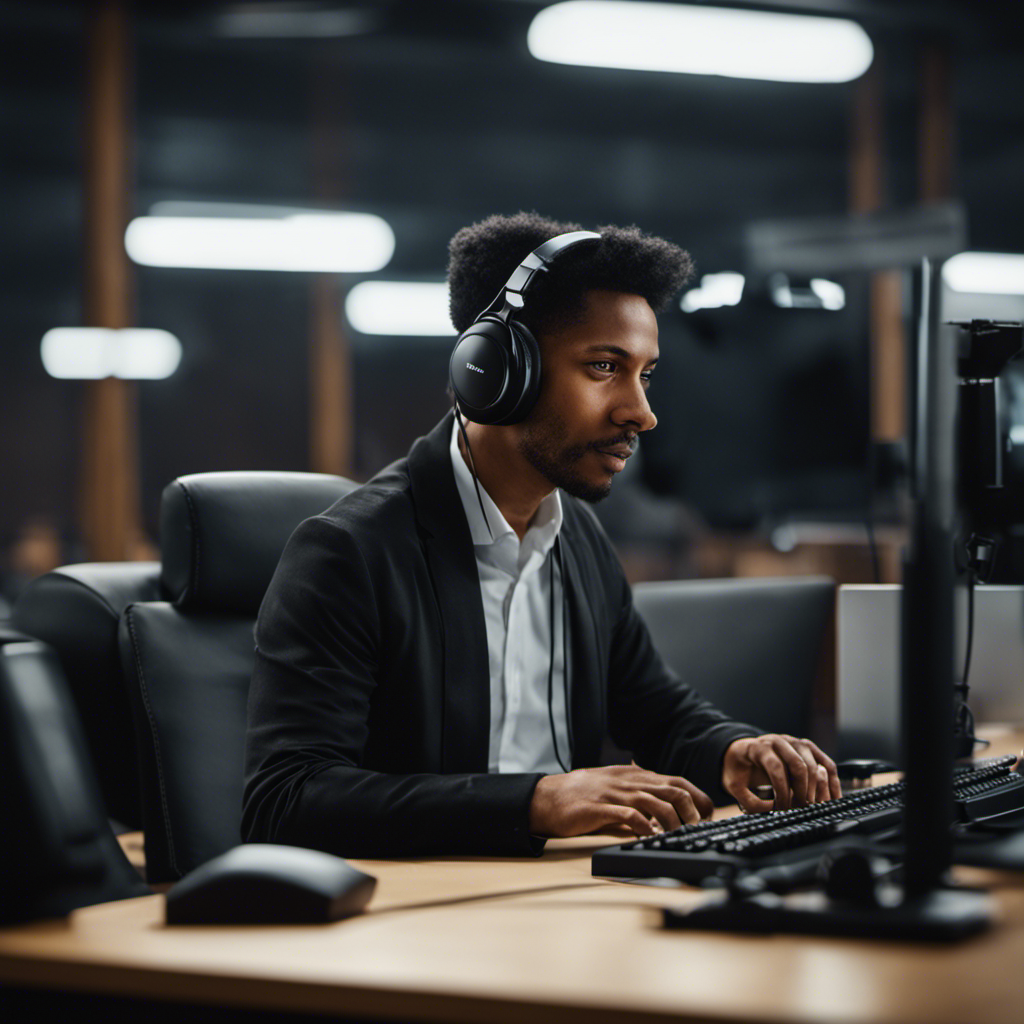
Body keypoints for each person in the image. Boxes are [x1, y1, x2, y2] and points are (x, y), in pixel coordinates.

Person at [243, 212, 840, 858]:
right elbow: (285, 800)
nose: (641, 412)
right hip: (414, 924)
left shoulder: (576, 537)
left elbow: (656, 710)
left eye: (646, 374)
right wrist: (537, 802)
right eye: (605, 367)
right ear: (497, 371)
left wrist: (733, 749)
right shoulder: (351, 553)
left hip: (552, 899)